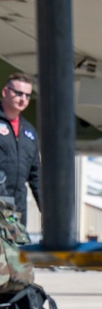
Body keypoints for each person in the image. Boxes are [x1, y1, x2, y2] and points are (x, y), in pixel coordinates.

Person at [0, 74, 40, 224]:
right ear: (5, 92)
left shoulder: (29, 132)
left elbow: (36, 174)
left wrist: (47, 209)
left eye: (28, 96)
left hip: (16, 209)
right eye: (18, 93)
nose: (23, 99)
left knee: (17, 245)